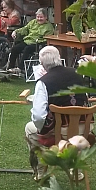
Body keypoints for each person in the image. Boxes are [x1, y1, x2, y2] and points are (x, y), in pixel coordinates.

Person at [25, 45, 89, 179]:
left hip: (61, 133)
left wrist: (43, 130)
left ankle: (41, 172)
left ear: (42, 64)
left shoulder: (43, 82)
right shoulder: (78, 74)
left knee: (30, 129)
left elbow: (38, 116)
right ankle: (76, 171)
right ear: (59, 58)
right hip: (84, 129)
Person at [6, 8, 55, 73]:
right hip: (28, 41)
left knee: (27, 49)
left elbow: (47, 38)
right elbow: (25, 29)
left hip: (38, 44)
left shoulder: (49, 27)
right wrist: (16, 31)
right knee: (15, 48)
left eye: (41, 17)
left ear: (46, 17)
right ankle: (10, 68)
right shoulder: (33, 22)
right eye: (38, 17)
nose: (39, 19)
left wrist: (39, 41)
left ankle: (20, 68)